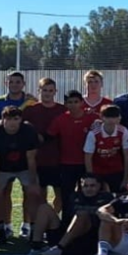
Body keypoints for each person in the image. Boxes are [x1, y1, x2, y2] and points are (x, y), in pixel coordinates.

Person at [16, 173, 115, 255]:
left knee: (82, 215)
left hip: (88, 241)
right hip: (67, 236)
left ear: (99, 186)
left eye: (92, 185)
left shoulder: (107, 199)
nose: (89, 189)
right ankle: (36, 248)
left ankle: (58, 249)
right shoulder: (74, 196)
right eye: (85, 186)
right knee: (44, 208)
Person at [0, 106, 41, 246]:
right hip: (2, 168)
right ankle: (2, 233)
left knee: (33, 193)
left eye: (16, 119)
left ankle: (32, 231)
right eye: (8, 119)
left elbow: (31, 159)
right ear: (2, 119)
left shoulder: (28, 131)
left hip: (24, 167)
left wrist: (33, 181)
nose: (12, 122)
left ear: (21, 120)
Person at [48, 90, 100, 220]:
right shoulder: (60, 119)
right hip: (67, 164)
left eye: (76, 102)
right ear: (65, 104)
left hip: (88, 164)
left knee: (89, 194)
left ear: (82, 102)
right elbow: (49, 136)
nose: (73, 105)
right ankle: (66, 223)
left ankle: (91, 223)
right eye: (70, 102)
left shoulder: (92, 118)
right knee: (67, 196)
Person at [23, 78, 68, 214]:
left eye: (50, 90)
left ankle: (54, 220)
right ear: (39, 91)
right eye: (44, 90)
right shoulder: (31, 110)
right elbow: (21, 125)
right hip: (38, 159)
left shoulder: (62, 110)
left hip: (58, 158)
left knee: (60, 194)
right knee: (40, 194)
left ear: (55, 92)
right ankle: (43, 222)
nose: (47, 93)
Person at [83, 105, 128, 193]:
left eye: (114, 117)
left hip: (116, 169)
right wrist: (91, 178)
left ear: (119, 118)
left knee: (117, 195)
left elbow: (127, 156)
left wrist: (125, 178)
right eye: (108, 116)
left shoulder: (124, 131)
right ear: (102, 117)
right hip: (97, 170)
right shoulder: (93, 134)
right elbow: (88, 157)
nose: (111, 120)